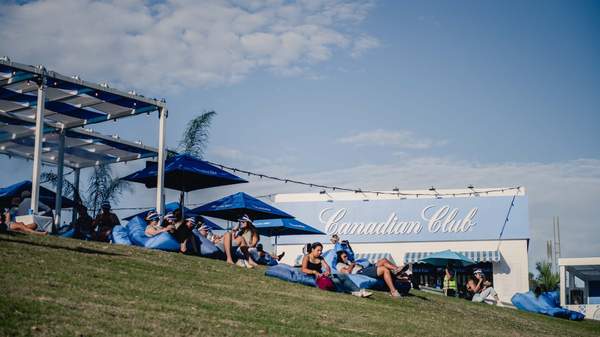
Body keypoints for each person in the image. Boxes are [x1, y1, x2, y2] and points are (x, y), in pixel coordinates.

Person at [301, 242, 372, 298]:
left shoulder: (320, 258)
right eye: (318, 250)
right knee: (336, 281)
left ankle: (359, 291)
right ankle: (351, 292)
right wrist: (314, 272)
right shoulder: (307, 257)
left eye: (321, 250)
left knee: (343, 276)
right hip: (314, 277)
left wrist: (328, 271)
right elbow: (303, 269)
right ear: (313, 249)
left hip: (322, 276)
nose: (320, 252)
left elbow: (327, 266)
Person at [335, 250, 407, 298]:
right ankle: (393, 291)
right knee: (384, 269)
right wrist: (352, 265)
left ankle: (396, 270)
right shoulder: (339, 264)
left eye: (346, 256)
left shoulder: (348, 262)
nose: (346, 257)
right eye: (344, 256)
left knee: (383, 260)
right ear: (340, 258)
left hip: (366, 268)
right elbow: (347, 272)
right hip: (361, 272)